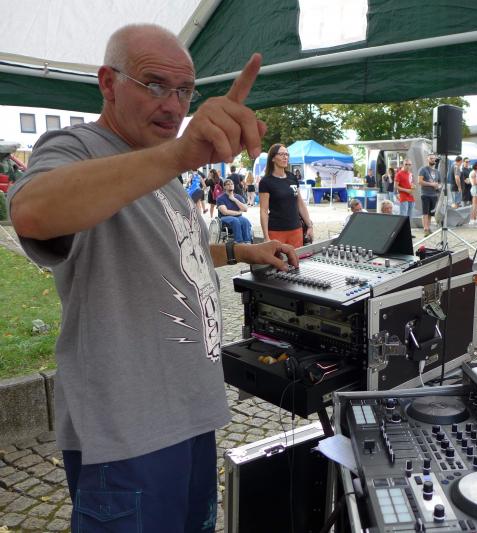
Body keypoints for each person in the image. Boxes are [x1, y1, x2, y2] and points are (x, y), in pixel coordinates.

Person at [7, 24, 299, 531]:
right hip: (128, 434)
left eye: (185, 91)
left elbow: (171, 251)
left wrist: (242, 250)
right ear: (108, 82)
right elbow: (31, 210)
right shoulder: (77, 146)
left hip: (190, 414)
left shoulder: (160, 168)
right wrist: (179, 154)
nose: (173, 105)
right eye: (156, 85)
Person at [259, 143, 313, 247]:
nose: (285, 157)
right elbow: (263, 211)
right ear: (273, 158)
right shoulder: (266, 182)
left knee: (296, 257)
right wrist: (266, 237)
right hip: (276, 231)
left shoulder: (292, 177)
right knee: (278, 258)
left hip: (296, 229)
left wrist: (309, 226)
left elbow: (300, 203)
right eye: (281, 154)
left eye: (287, 154)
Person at [216, 179, 253, 243]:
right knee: (235, 220)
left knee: (245, 221)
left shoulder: (238, 197)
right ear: (224, 187)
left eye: (232, 184)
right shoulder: (220, 198)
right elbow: (225, 212)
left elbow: (245, 209)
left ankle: (247, 241)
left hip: (238, 217)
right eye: (228, 184)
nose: (230, 185)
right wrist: (238, 213)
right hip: (224, 218)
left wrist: (234, 199)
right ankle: (239, 241)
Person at [418, 153, 441, 236]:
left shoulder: (437, 171)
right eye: (431, 158)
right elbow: (420, 181)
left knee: (431, 213)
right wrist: (431, 184)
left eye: (434, 158)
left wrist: (437, 186)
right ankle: (425, 229)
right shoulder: (423, 169)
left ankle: (428, 227)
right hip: (425, 194)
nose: (433, 160)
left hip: (434, 195)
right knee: (425, 212)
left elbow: (439, 183)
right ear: (427, 159)